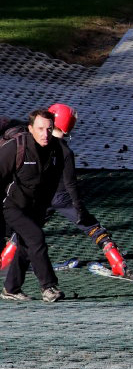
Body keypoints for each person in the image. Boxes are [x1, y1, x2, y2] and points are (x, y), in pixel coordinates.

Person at [0, 104, 133, 279]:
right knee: (91, 226)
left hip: (39, 195)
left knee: (27, 228)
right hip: (61, 195)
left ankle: (5, 261)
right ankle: (117, 262)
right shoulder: (64, 150)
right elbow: (71, 184)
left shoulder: (29, 143)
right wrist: (80, 210)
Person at [0, 110, 65, 303]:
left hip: (35, 206)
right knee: (35, 237)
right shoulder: (16, 147)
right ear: (30, 129)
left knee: (26, 246)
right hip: (9, 204)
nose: (45, 134)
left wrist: (44, 207)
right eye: (40, 129)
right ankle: (49, 287)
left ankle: (11, 288)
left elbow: (53, 181)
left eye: (49, 129)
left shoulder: (56, 150)